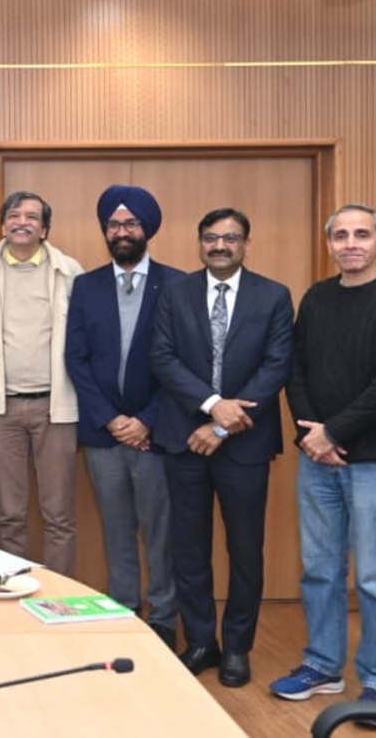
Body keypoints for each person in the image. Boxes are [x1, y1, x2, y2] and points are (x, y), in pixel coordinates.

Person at [270, 204, 376, 721]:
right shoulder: (316, 298)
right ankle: (322, 666)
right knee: (320, 570)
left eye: (362, 234)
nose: (350, 243)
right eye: (340, 235)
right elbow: (295, 372)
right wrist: (311, 437)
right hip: (318, 458)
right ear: (330, 244)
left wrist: (334, 432)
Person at [151, 208, 293, 688]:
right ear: (199, 243)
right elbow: (162, 358)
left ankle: (236, 647)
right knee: (189, 548)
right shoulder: (175, 292)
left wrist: (225, 426)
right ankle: (200, 641)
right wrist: (212, 406)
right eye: (211, 237)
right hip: (185, 437)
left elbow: (275, 368)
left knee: (245, 549)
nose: (220, 245)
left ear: (246, 244)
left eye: (231, 238)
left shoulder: (273, 296)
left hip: (245, 443)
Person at [64, 185, 184, 648]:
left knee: (159, 529)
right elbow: (76, 358)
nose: (122, 231)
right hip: (103, 432)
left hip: (155, 431)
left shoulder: (177, 284)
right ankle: (126, 611)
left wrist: (146, 419)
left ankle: (164, 616)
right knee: (116, 527)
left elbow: (181, 362)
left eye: (131, 223)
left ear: (147, 228)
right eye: (114, 224)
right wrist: (111, 419)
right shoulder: (86, 285)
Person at [0, 191, 83, 574]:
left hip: (56, 407)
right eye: (14, 215)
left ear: (45, 228)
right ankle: (15, 594)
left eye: (32, 217)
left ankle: (59, 597)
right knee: (10, 515)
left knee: (59, 515)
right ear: (3, 224)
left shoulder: (69, 271)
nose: (22, 222)